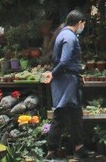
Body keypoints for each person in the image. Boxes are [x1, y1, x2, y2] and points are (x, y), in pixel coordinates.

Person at [44, 9, 91, 160]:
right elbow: (64, 61)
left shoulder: (62, 33)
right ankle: (51, 151)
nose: (83, 26)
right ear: (79, 23)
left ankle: (79, 147)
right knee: (61, 114)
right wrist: (54, 74)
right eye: (83, 23)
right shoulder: (70, 37)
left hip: (67, 79)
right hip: (67, 80)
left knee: (75, 113)